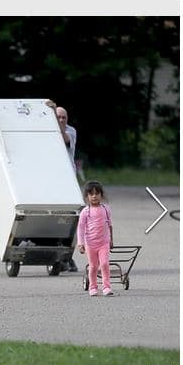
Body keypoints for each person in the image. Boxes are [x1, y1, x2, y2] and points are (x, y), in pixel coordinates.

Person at [51, 103, 79, 272]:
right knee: (55, 220)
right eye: (58, 117)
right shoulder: (45, 131)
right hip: (52, 182)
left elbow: (65, 140)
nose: (61, 120)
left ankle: (67, 257)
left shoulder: (70, 131)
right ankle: (60, 256)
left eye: (64, 117)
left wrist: (58, 124)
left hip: (68, 182)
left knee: (70, 220)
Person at [77, 180, 114, 297]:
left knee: (104, 264)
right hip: (90, 244)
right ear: (87, 196)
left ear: (101, 195)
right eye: (91, 194)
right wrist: (80, 243)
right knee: (93, 266)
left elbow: (110, 225)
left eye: (97, 193)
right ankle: (93, 287)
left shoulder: (106, 209)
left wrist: (111, 239)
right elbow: (81, 228)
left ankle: (106, 287)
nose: (94, 196)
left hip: (104, 242)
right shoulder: (85, 212)